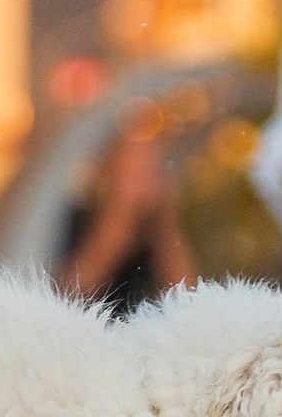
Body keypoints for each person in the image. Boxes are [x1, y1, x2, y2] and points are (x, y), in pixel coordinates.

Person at [59, 113, 197, 315]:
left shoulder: (158, 223)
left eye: (151, 167)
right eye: (134, 169)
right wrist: (119, 216)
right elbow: (68, 296)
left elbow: (189, 298)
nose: (144, 179)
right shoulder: (79, 215)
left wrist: (162, 226)